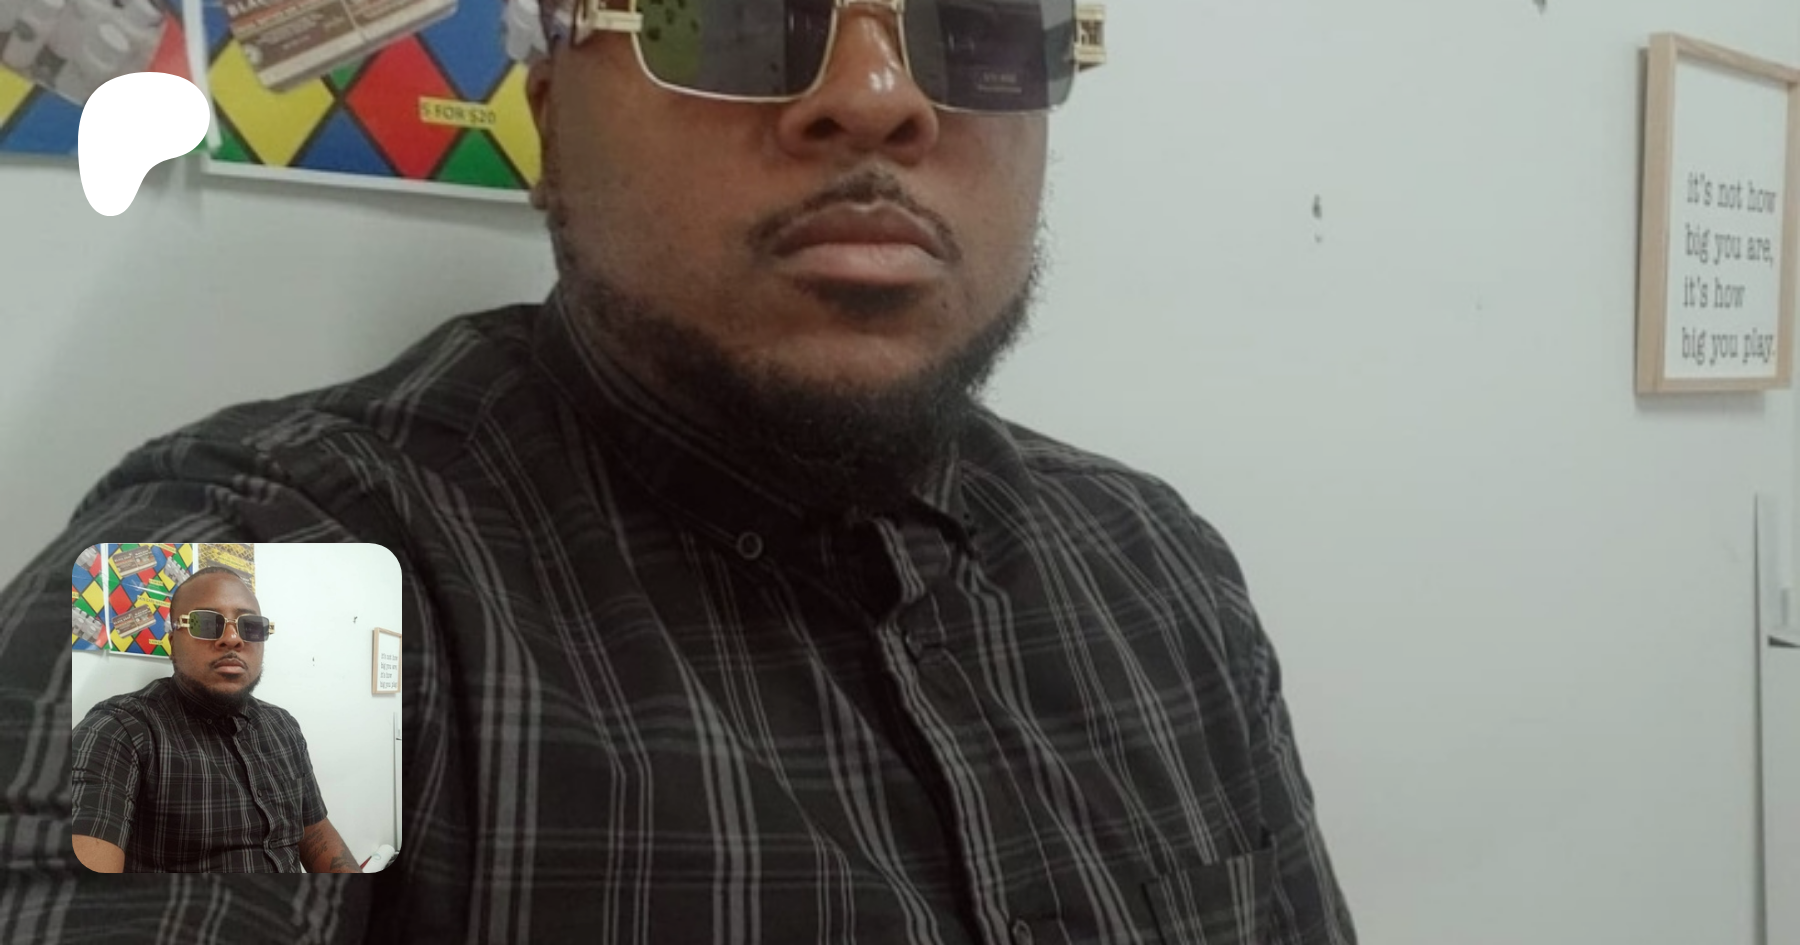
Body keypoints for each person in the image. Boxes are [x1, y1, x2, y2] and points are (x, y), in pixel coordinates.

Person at [0, 0, 1357, 941]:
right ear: (549, 126)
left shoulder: (1158, 569)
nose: (877, 99)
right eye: (733, 16)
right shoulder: (266, 569)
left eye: (977, 24)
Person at [67, 566, 362, 874]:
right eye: (206, 623)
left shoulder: (283, 726)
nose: (232, 639)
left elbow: (314, 831)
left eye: (250, 626)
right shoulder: (120, 730)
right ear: (173, 643)